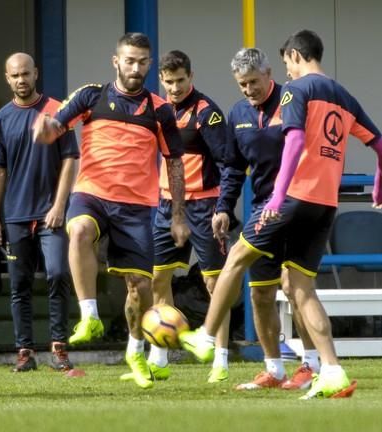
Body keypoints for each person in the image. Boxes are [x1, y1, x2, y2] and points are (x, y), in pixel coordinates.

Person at [181, 30, 382, 400]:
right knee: (300, 288)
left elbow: (294, 141)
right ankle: (332, 369)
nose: (286, 71)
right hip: (325, 203)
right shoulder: (344, 96)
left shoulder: (297, 89)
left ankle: (204, 337)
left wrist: (277, 197)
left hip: (291, 198)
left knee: (234, 259)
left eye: (284, 64)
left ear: (294, 57)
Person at [34, 33, 188, 389]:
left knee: (139, 287)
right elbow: (58, 125)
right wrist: (47, 130)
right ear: (115, 61)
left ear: (150, 65)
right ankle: (89, 316)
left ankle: (135, 349)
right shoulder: (92, 95)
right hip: (93, 194)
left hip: (137, 208)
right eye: (129, 60)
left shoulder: (160, 110)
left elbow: (175, 162)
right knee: (80, 231)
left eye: (142, 62)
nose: (136, 68)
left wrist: (178, 214)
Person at [121, 50, 230, 384]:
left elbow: (228, 163)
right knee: (157, 279)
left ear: (191, 77)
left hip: (204, 206)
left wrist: (223, 207)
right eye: (169, 82)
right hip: (165, 206)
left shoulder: (207, 114)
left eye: (181, 80)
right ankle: (160, 358)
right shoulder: (158, 110)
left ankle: (221, 361)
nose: (175, 87)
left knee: (215, 284)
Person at [213, 47, 318, 391]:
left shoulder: (291, 102)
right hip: (261, 210)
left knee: (293, 286)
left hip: (297, 207)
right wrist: (224, 208)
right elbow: (232, 167)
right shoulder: (238, 113)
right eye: (242, 84)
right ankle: (274, 369)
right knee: (260, 293)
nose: (248, 90)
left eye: (253, 82)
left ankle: (312, 364)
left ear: (269, 73)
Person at [0, 52, 79, 372]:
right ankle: (25, 352)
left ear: (36, 73)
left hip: (50, 214)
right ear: (7, 78)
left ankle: (59, 349)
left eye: (26, 73)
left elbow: (70, 159)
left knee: (57, 274)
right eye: (15, 75)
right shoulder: (1, 119)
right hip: (14, 215)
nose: (21, 80)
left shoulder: (56, 112)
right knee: (19, 284)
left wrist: (59, 206)